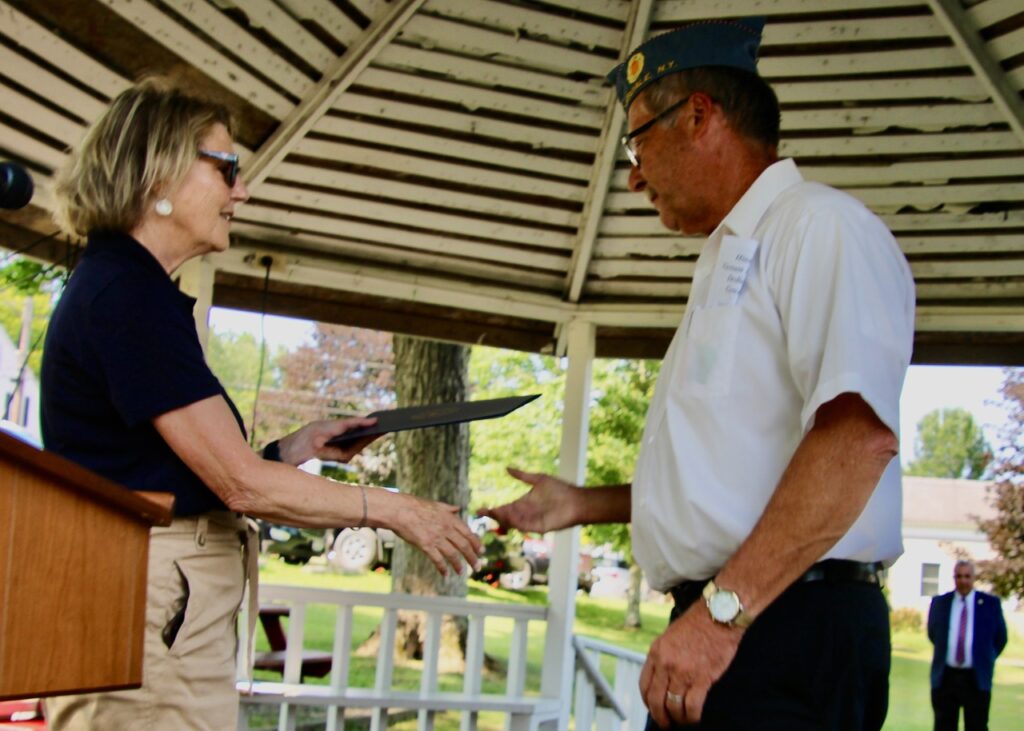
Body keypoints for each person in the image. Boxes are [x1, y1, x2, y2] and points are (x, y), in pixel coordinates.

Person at [480, 17, 915, 730]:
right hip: (743, 615)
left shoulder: (820, 227)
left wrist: (718, 619)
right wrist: (581, 504)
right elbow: (735, 473)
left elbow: (855, 441)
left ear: (700, 116)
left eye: (638, 139)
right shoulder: (729, 256)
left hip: (781, 622)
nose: (632, 173)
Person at [40, 77, 482, 731]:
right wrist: (398, 509)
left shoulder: (129, 291)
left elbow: (181, 468)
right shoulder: (125, 297)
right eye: (227, 168)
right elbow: (239, 483)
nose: (241, 191)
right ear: (159, 171)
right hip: (148, 606)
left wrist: (297, 448)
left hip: (156, 603)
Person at [927, 560, 1007, 731]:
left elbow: (1000, 638)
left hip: (976, 679)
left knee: (977, 726)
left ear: (973, 578)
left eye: (967, 576)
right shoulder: (940, 603)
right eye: (959, 576)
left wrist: (987, 658)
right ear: (954, 578)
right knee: (943, 726)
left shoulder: (990, 604)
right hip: (946, 678)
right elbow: (933, 633)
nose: (963, 580)